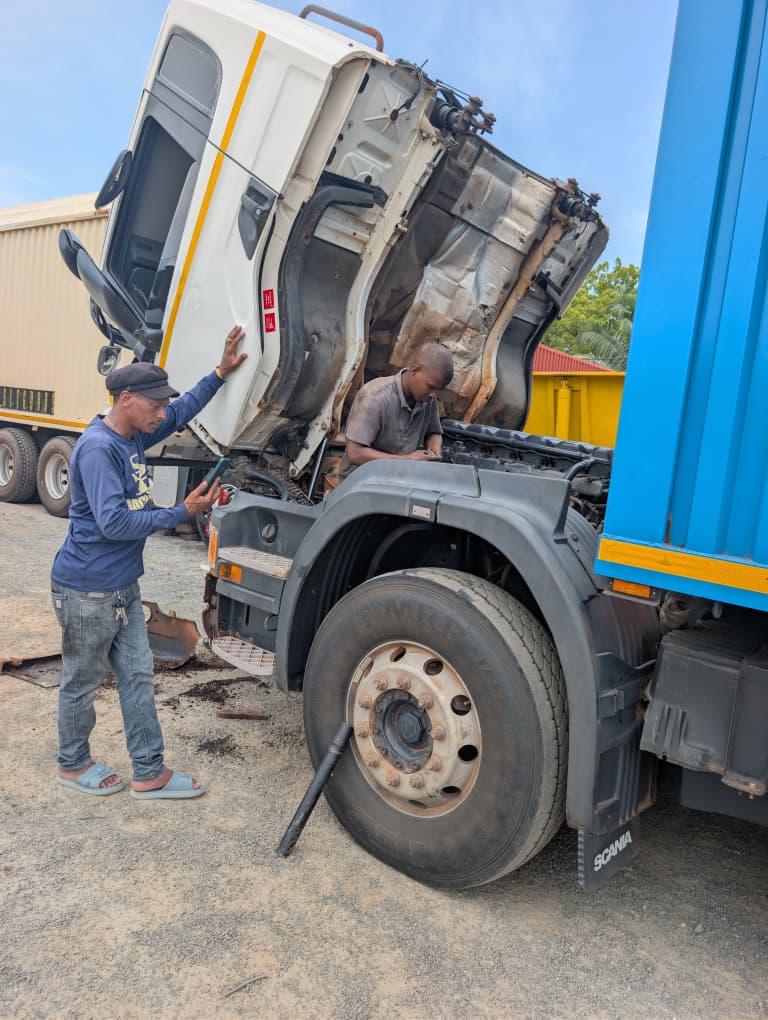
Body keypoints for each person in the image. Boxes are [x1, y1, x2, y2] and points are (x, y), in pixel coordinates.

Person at [51, 325, 247, 799]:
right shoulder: (100, 449)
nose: (162, 412)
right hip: (87, 588)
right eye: (154, 404)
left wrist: (220, 373)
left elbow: (182, 411)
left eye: (161, 405)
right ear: (125, 400)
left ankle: (148, 771)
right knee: (82, 680)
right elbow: (114, 523)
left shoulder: (135, 431)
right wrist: (183, 513)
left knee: (137, 674)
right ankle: (72, 764)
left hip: (121, 586)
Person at [339, 343, 454, 480]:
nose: (434, 395)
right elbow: (355, 453)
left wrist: (434, 449)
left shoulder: (427, 397)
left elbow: (433, 432)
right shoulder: (375, 397)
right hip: (361, 482)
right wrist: (406, 460)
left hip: (399, 480)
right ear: (415, 370)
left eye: (438, 390)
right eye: (431, 387)